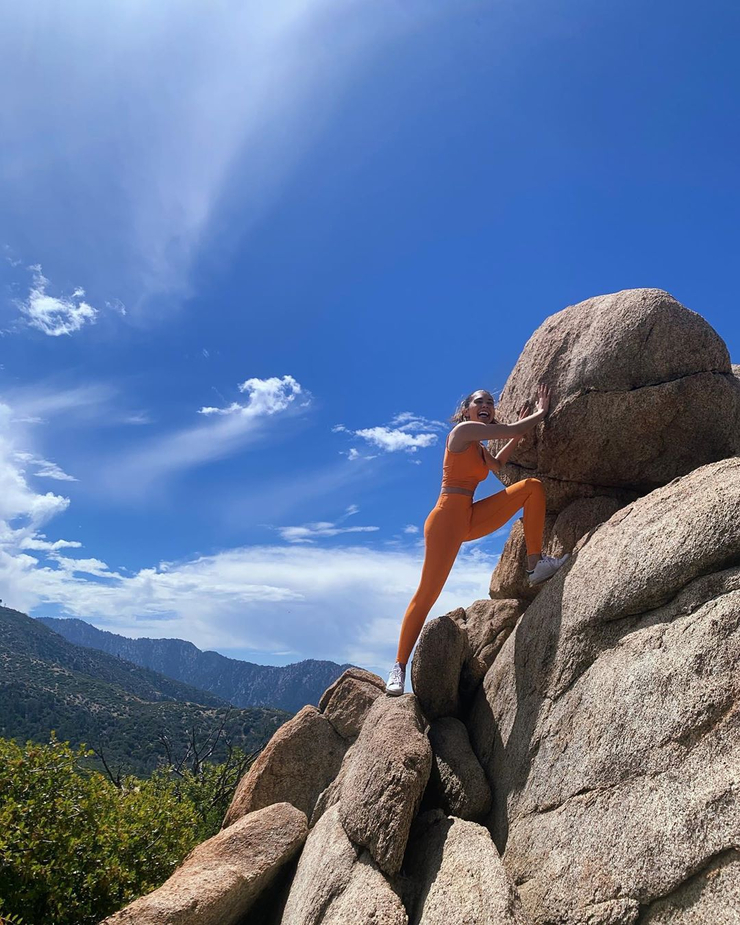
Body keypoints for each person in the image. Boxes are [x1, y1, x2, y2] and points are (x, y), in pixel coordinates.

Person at [385, 384, 568, 696]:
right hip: (445, 521)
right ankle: (399, 667)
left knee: (532, 488)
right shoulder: (463, 432)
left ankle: (535, 564)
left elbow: (497, 464)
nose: (486, 405)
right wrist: (540, 412)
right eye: (479, 401)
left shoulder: (479, 447)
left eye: (490, 402)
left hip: (468, 517)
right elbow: (511, 427)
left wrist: (515, 436)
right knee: (426, 595)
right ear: (467, 411)